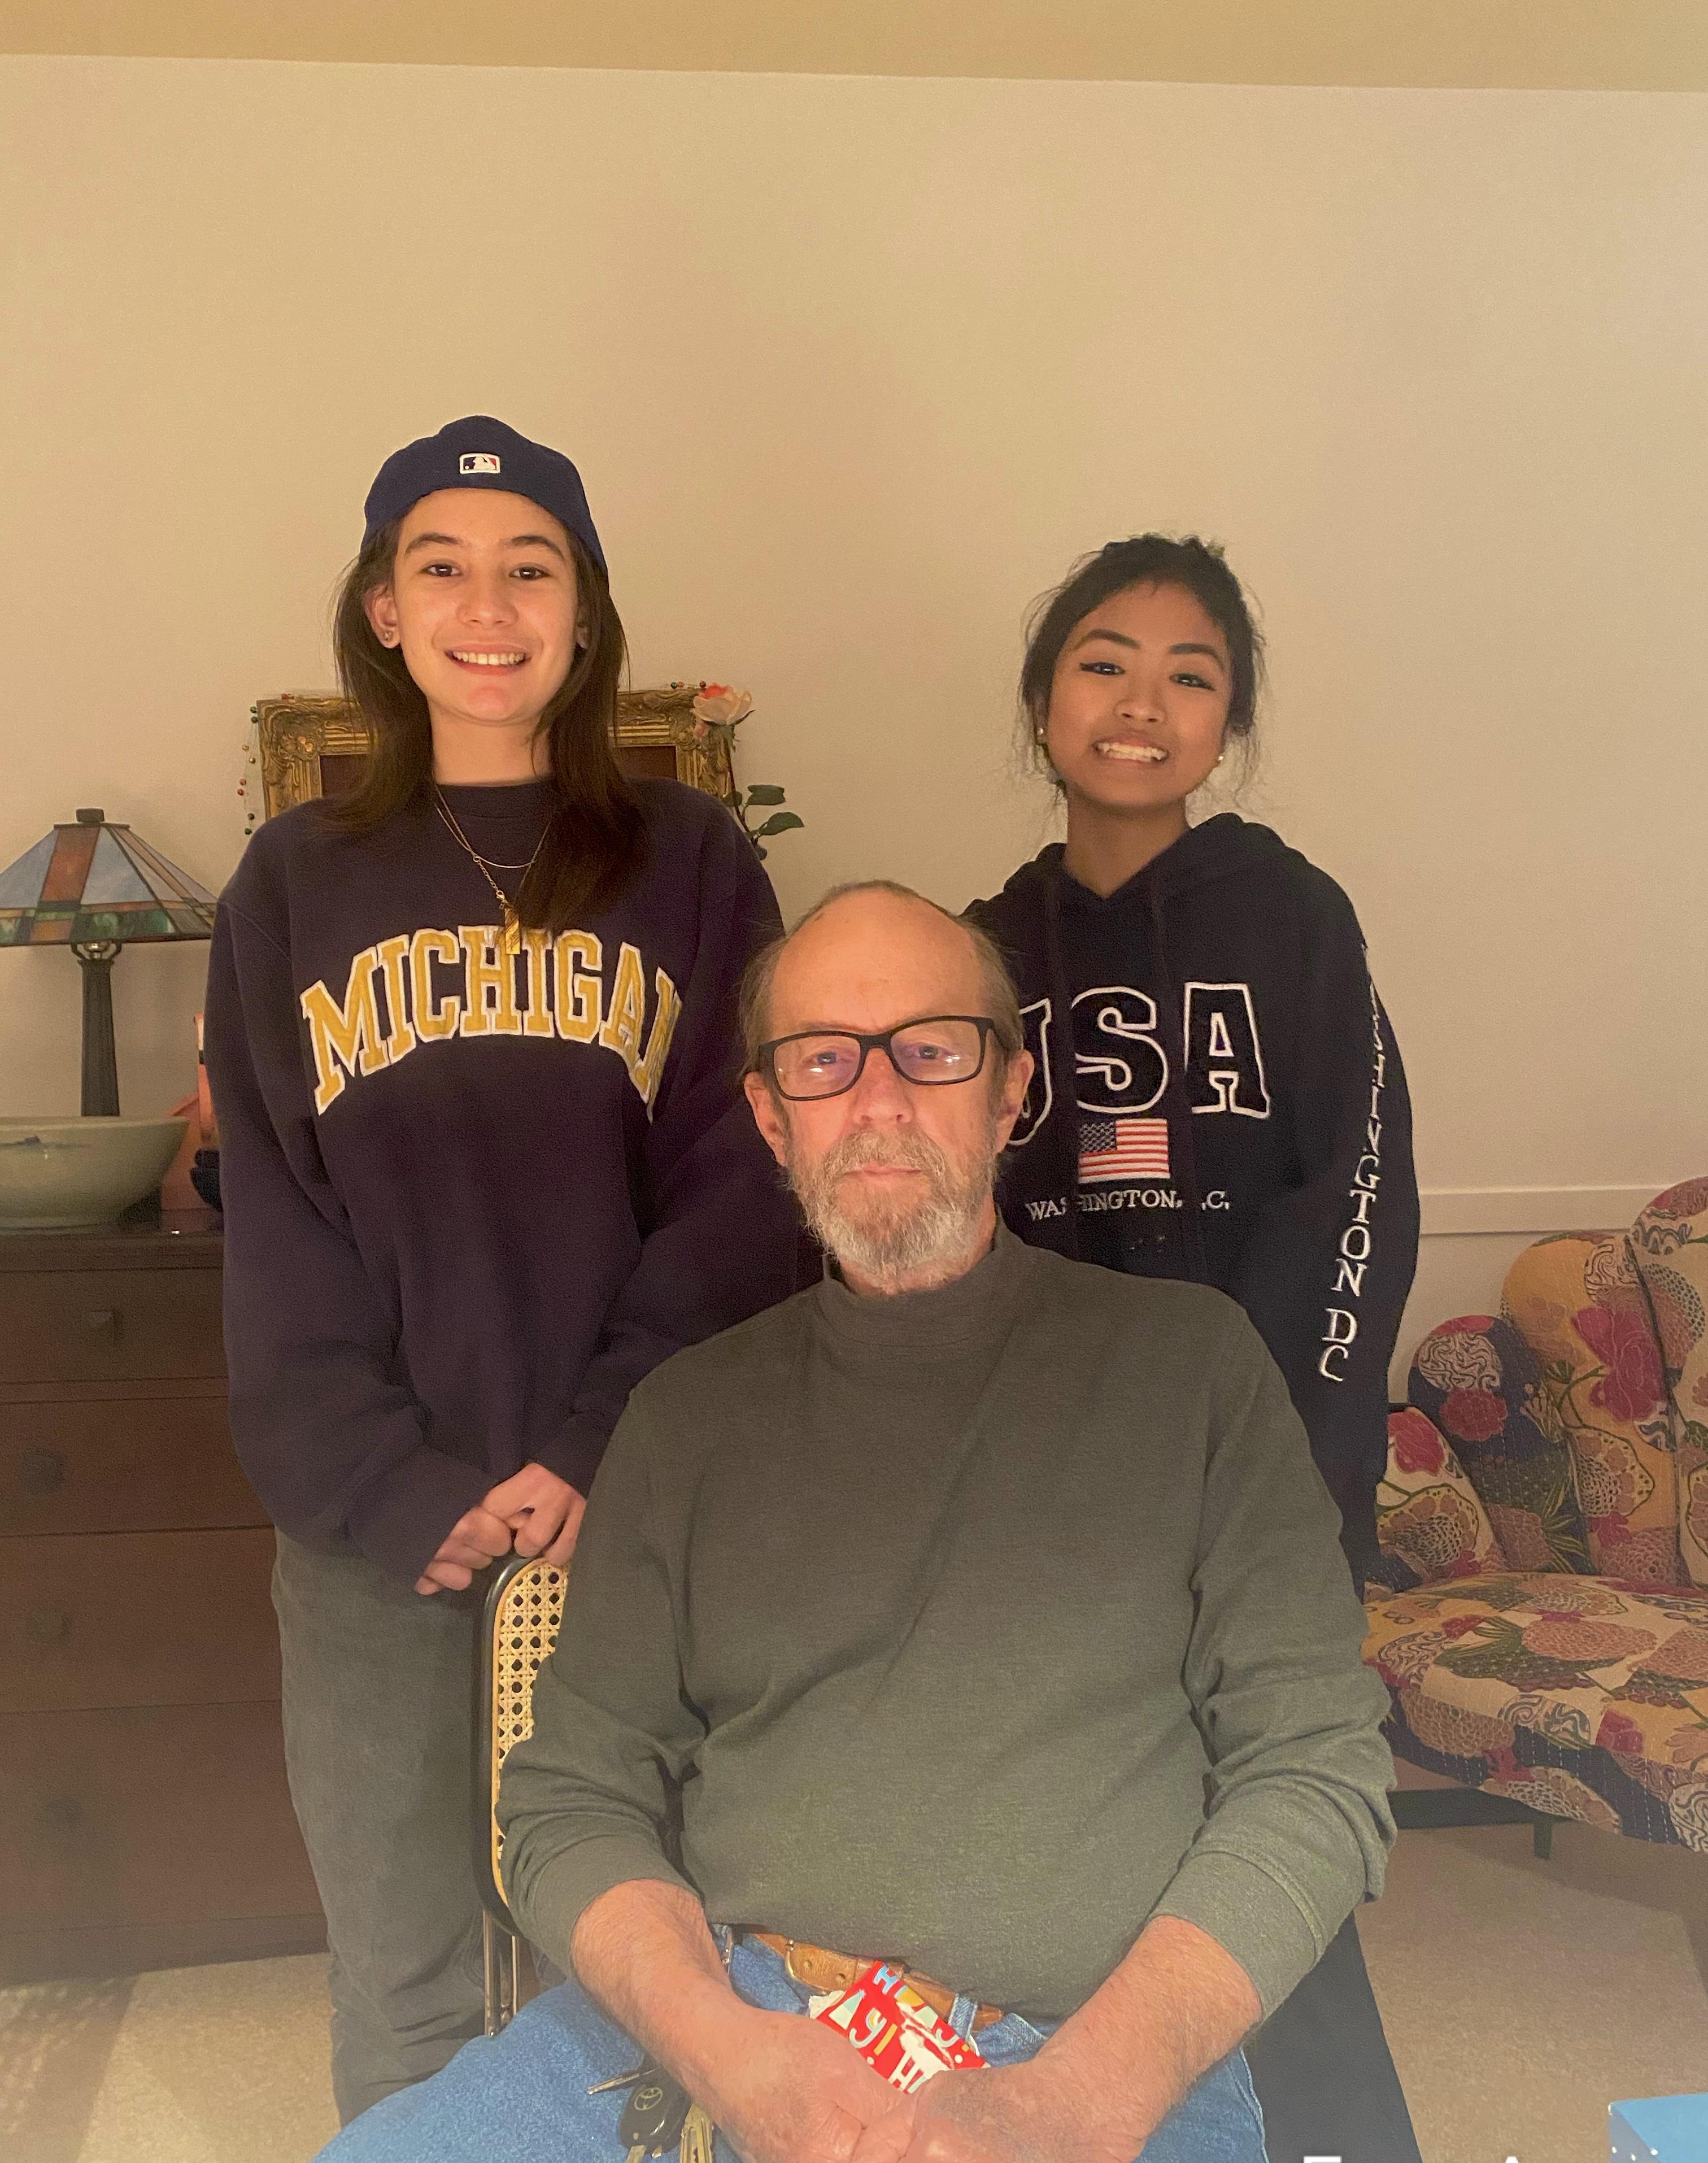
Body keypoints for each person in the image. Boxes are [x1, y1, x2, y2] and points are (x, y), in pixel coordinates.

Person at [312, 881, 1395, 2163]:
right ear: (772, 1116)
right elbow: (566, 1801)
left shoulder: (1193, 1371)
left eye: (930, 1050)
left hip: (1093, 2057)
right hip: (728, 2025)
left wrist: (1083, 2099)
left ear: (1012, 1089)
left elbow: (1317, 1771)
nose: (878, 1102)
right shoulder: (685, 1419)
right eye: (825, 1061)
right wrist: (727, 2048)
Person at [203, 416, 800, 2123]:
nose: (489, 602)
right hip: (375, 1535)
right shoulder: (293, 880)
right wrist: (393, 1483)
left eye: (530, 565)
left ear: (585, 610)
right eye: (443, 566)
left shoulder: (690, 862)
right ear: (383, 610)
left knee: (617, 1964)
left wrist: (598, 1441)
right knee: (400, 1972)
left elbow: (740, 1174)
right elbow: (277, 1211)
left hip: (623, 1517)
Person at [965, 535, 1422, 2163]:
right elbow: (959, 1223)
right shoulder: (986, 950)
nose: (1142, 702)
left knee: (1265, 1820)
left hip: (1270, 1483)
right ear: (1041, 703)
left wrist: (1287, 1456)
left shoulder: (1295, 919)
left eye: (1190, 673)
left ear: (1225, 725)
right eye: (1103, 660)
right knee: (1090, 1815)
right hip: (1051, 1492)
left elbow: (1356, 1190)